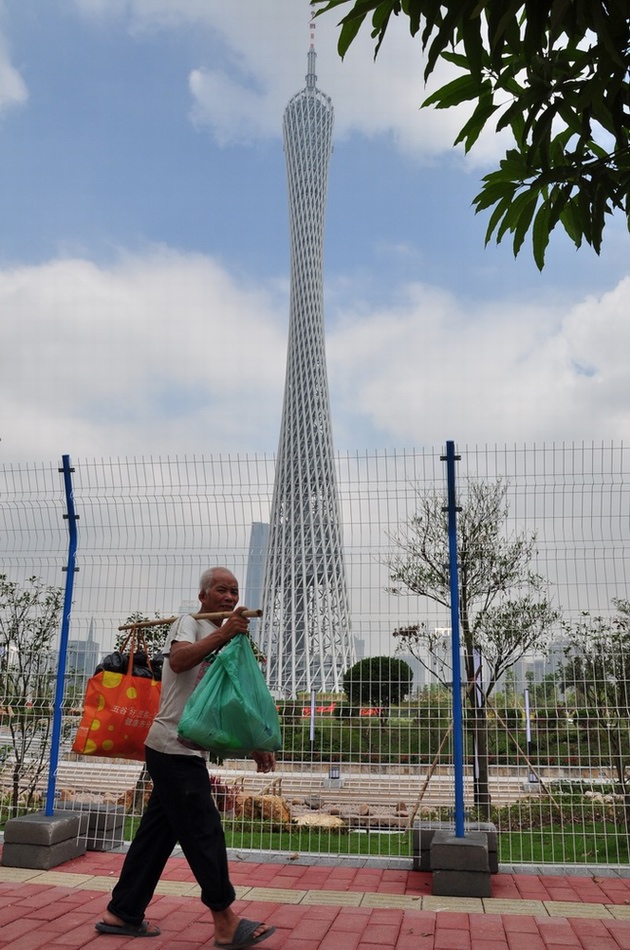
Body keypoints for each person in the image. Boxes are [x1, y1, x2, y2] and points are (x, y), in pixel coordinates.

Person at [95, 567, 276, 948]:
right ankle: (225, 919)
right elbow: (178, 662)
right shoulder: (188, 623)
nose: (229, 597)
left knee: (155, 837)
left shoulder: (223, 639)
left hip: (187, 750)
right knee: (204, 832)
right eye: (221, 590)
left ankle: (122, 912)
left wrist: (255, 743)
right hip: (170, 748)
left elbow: (229, 698)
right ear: (204, 595)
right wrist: (225, 632)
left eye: (234, 591)